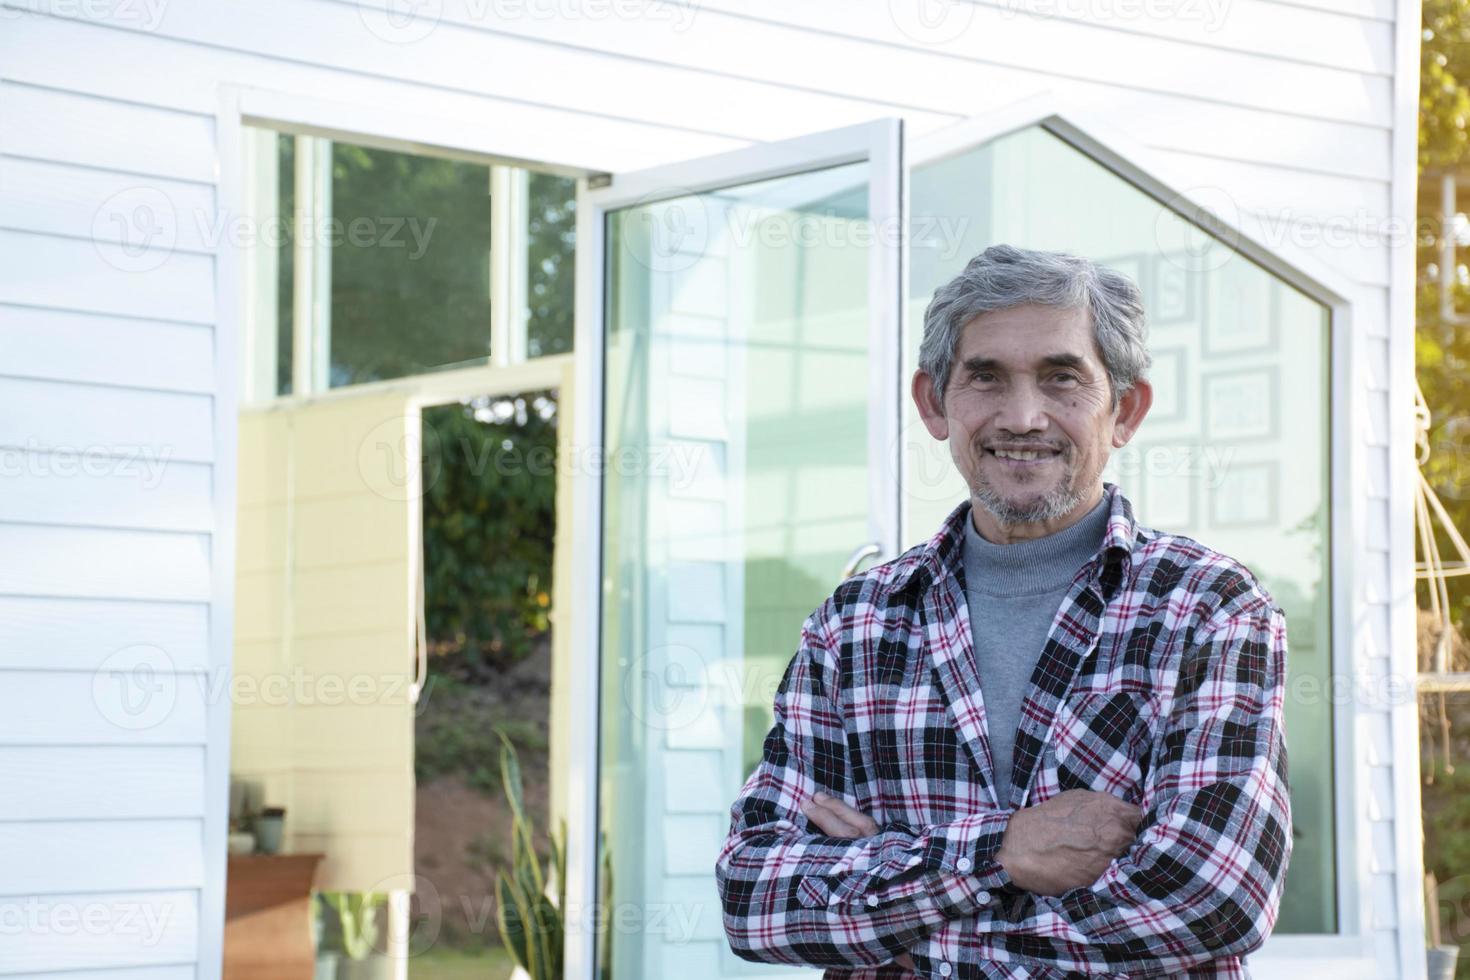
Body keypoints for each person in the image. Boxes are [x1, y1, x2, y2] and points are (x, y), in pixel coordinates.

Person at [714, 244, 1292, 978]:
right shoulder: (854, 626)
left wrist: (894, 909)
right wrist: (1005, 850)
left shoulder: (1208, 610)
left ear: (1125, 410)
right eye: (986, 377)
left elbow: (1211, 897)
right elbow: (755, 897)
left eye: (1062, 379)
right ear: (934, 402)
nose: (1023, 416)